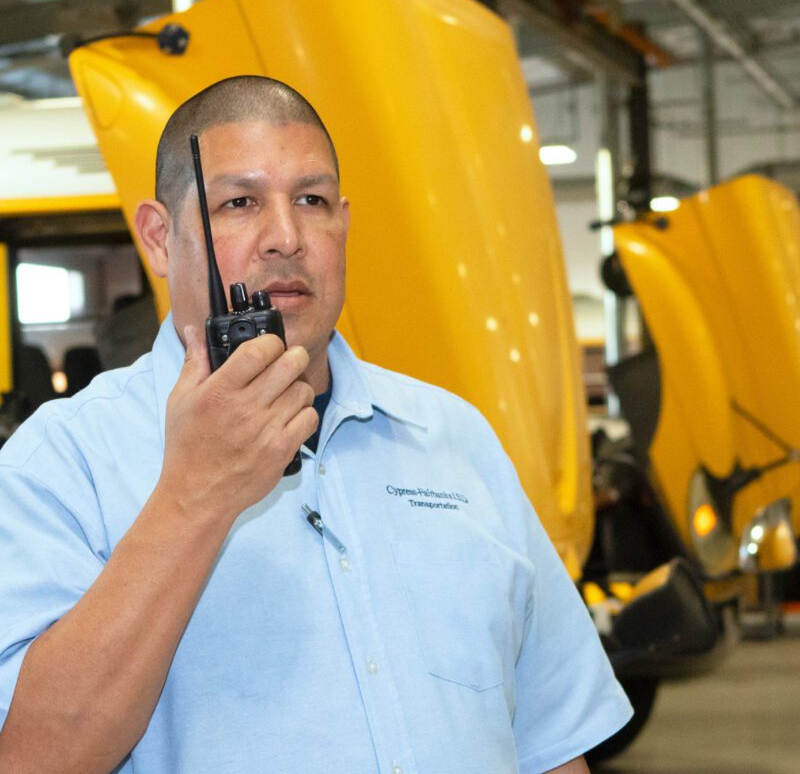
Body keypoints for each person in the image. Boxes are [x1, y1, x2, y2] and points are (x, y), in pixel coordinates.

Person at [0, 76, 631, 774]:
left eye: (312, 201)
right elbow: (32, 758)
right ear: (158, 237)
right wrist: (194, 497)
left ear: (343, 224)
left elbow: (550, 740)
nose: (286, 238)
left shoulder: (454, 439)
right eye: (239, 203)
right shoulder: (60, 465)